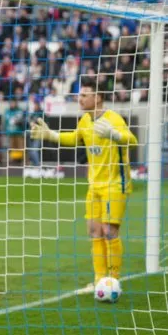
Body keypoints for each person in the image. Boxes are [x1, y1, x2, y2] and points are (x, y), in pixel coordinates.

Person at [31, 77, 137, 294]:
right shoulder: (85, 120)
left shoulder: (113, 119)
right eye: (80, 95)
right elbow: (76, 138)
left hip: (115, 184)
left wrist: (115, 135)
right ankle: (99, 280)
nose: (80, 99)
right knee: (94, 231)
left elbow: (132, 141)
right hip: (94, 185)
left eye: (84, 95)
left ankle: (113, 280)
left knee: (109, 231)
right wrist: (51, 135)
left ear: (98, 98)